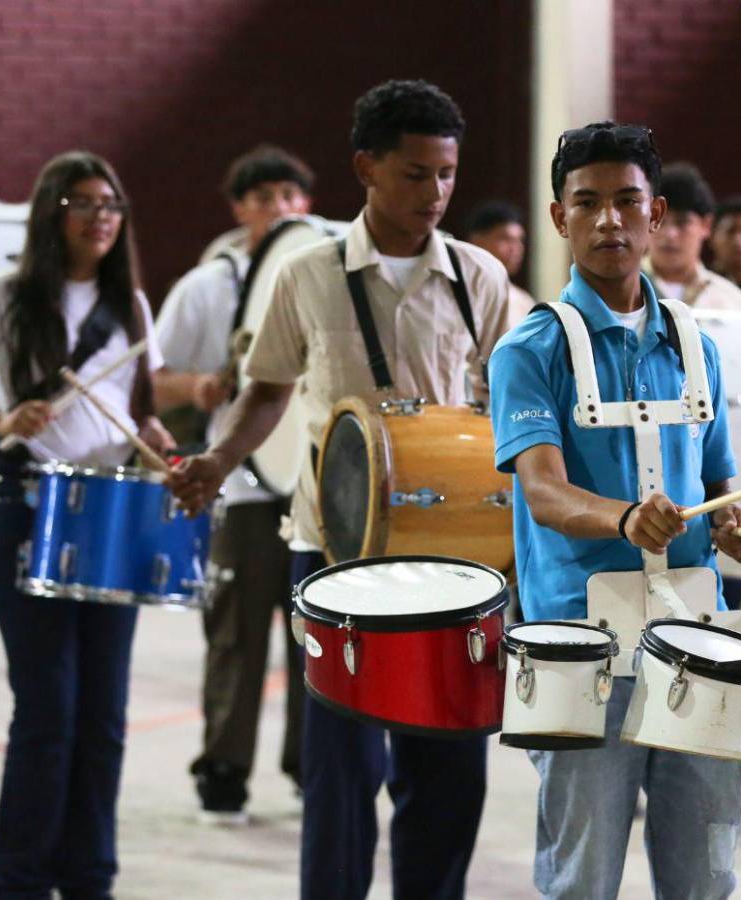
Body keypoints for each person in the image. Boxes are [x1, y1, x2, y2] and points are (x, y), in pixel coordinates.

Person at [167, 79, 510, 899]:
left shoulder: (482, 278)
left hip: (454, 563)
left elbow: (516, 407)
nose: (435, 194)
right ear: (366, 167)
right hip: (333, 552)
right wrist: (215, 463)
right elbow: (267, 391)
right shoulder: (307, 275)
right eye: (415, 174)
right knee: (340, 769)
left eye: (447, 175)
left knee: (449, 772)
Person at [489, 121, 741, 899]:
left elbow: (718, 488)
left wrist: (731, 527)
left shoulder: (696, 343)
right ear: (559, 218)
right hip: (580, 649)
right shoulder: (528, 351)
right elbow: (540, 490)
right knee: (582, 878)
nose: (609, 220)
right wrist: (621, 519)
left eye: (627, 202)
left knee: (706, 872)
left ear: (658, 213)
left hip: (694, 637)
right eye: (588, 203)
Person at [0, 151, 173, 898]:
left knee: (104, 712)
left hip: (113, 508)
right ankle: (23, 879)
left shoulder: (129, 305)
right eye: (82, 203)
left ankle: (89, 873)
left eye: (110, 204)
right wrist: (9, 418)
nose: (100, 216)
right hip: (26, 502)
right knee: (49, 709)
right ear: (51, 213)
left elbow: (144, 409)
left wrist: (160, 439)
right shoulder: (8, 299)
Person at [153, 144, 314, 823]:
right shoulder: (205, 287)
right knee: (236, 638)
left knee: (317, 637)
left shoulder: (321, 270)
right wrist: (199, 386)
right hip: (243, 487)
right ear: (239, 208)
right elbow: (155, 384)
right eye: (264, 196)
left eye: (290, 195)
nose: (279, 207)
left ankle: (313, 767)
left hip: (310, 487)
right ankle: (223, 772)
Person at [643, 161, 741, 310]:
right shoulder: (618, 289)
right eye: (659, 221)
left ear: (706, 225)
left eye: (682, 222)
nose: (670, 234)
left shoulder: (732, 302)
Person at [465, 199, 535, 325]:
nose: (515, 249)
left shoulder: (524, 302)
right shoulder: (459, 294)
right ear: (477, 242)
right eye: (505, 239)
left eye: (519, 240)